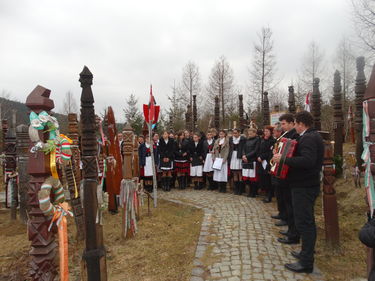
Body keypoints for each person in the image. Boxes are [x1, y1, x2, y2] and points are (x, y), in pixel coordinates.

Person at [273, 111, 323, 273]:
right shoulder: (309, 136)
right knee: (304, 221)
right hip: (303, 185)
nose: (294, 127)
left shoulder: (309, 137)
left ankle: (306, 262)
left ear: (301, 124)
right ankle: (304, 253)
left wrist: (284, 159)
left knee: (305, 222)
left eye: (295, 124)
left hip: (305, 186)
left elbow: (308, 161)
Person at [274, 113, 300, 243]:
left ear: (291, 123)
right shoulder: (286, 135)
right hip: (284, 172)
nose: (282, 126)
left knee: (291, 205)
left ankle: (293, 232)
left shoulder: (295, 135)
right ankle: (290, 229)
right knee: (286, 201)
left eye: (284, 124)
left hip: (290, 174)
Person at [270, 123, 288, 223]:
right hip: (275, 167)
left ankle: (284, 215)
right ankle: (281, 212)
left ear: (279, 131)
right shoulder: (277, 139)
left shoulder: (284, 139)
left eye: (274, 132)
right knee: (278, 193)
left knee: (282, 195)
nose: (273, 133)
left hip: (281, 168)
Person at [258, 126, 275, 203]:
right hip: (260, 161)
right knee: (263, 178)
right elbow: (258, 149)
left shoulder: (273, 141)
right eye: (264, 131)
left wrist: (262, 157)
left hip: (268, 161)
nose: (265, 133)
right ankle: (265, 193)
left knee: (268, 179)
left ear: (271, 132)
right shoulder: (261, 140)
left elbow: (270, 152)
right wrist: (258, 157)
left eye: (267, 131)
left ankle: (269, 195)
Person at [242, 127, 260, 197]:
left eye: (251, 133)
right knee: (247, 177)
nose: (249, 134)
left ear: (255, 133)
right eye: (248, 133)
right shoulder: (247, 140)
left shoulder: (257, 140)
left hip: (253, 160)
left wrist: (247, 156)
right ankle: (250, 191)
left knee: (253, 178)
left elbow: (255, 150)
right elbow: (244, 148)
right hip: (246, 160)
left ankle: (253, 192)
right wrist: (243, 155)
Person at [228, 128, 246, 195]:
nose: (234, 134)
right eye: (233, 133)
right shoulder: (231, 139)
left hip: (239, 156)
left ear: (239, 133)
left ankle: (241, 190)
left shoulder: (243, 139)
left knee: (239, 172)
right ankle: (236, 189)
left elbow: (244, 148)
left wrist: (243, 155)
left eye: (236, 133)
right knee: (234, 172)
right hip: (233, 156)